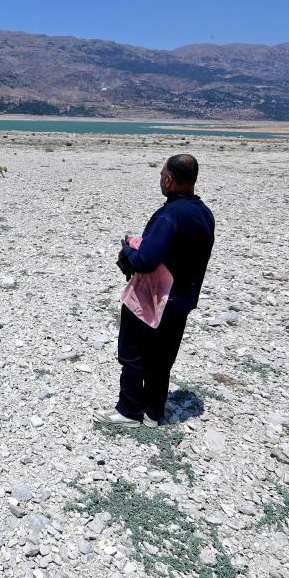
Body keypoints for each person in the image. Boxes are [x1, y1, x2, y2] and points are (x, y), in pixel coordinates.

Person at [95, 154, 215, 427]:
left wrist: (127, 250)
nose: (160, 180)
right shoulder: (205, 213)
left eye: (162, 175)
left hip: (154, 300)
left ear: (169, 180)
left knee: (133, 353)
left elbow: (146, 260)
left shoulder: (170, 215)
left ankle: (129, 411)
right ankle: (153, 412)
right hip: (182, 301)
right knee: (162, 359)